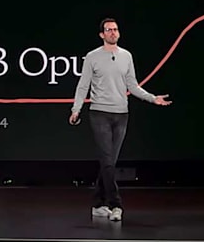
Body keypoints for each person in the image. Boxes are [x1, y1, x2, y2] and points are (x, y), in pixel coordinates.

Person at [70, 17, 171, 221]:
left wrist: (152, 98)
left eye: (115, 29)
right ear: (102, 34)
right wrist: (76, 109)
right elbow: (83, 85)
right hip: (100, 113)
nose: (113, 33)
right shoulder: (92, 57)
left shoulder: (126, 56)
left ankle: (98, 204)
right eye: (109, 30)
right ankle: (116, 205)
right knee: (107, 161)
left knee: (110, 162)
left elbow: (132, 85)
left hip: (121, 114)